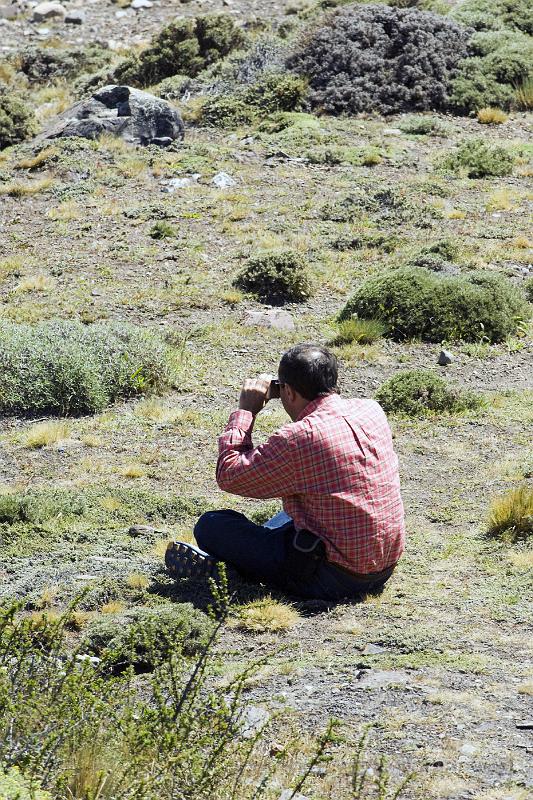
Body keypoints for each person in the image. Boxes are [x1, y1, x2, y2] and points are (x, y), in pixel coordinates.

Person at [165, 343, 405, 601]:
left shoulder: (300, 437)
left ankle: (234, 571)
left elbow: (230, 474)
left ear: (287, 392)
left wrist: (246, 411)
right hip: (383, 566)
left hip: (333, 578)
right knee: (291, 513)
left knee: (212, 525)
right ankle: (245, 562)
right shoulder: (371, 409)